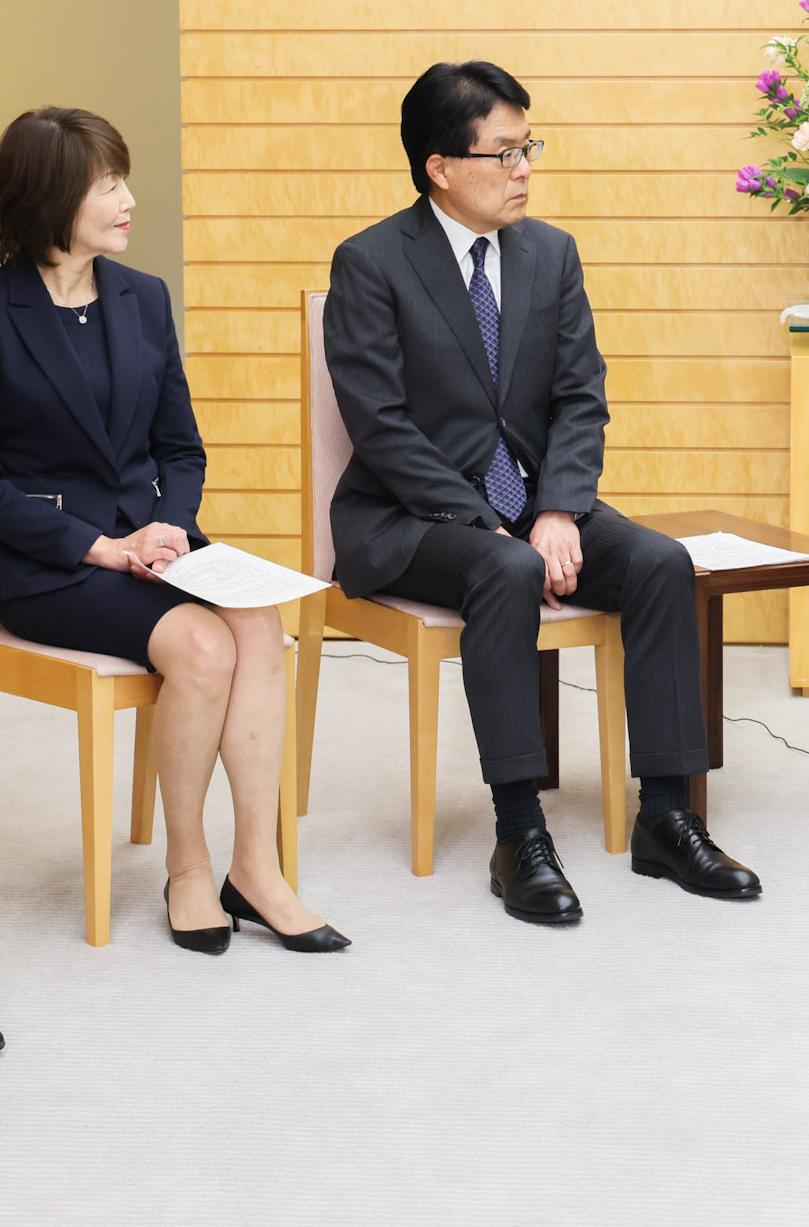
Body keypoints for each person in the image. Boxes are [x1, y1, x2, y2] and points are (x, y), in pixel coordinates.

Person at [324, 61, 761, 925]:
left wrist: (557, 509)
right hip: (414, 518)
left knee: (659, 563)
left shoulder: (550, 254)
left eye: (530, 149)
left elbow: (579, 395)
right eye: (505, 153)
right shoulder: (372, 263)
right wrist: (491, 523)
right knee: (506, 572)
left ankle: (669, 816)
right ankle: (518, 830)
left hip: (535, 505)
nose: (524, 170)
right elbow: (378, 424)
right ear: (439, 166)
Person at [0, 107, 345, 954]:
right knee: (202, 649)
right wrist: (101, 546)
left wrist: (170, 523)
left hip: (154, 544)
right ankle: (190, 867)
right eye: (108, 184)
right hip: (53, 566)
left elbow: (180, 447)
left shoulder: (143, 297)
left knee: (257, 624)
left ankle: (257, 868)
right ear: (51, 200)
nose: (129, 199)